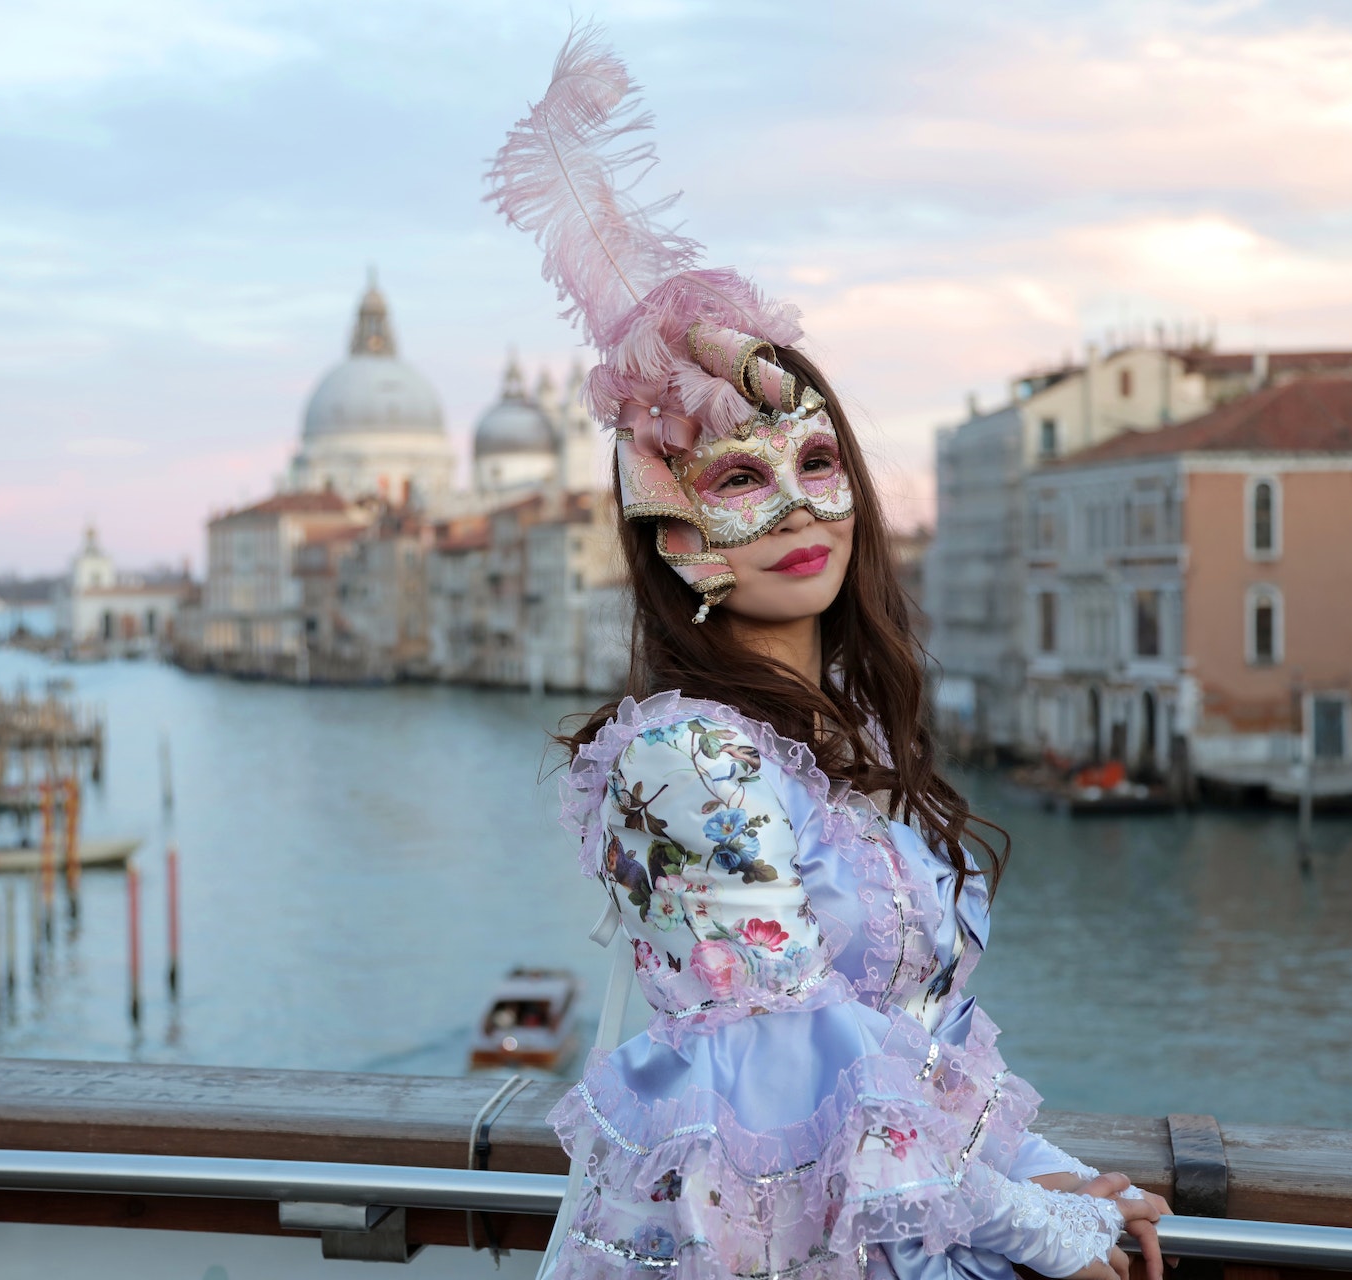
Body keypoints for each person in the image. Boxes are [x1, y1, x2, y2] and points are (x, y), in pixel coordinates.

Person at [489, 27, 1170, 1280]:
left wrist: (1047, 1167)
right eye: (741, 480)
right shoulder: (685, 753)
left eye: (817, 463)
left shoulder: (838, 739)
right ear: (675, 533)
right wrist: (1061, 1233)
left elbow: (921, 1041)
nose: (801, 508)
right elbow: (809, 1056)